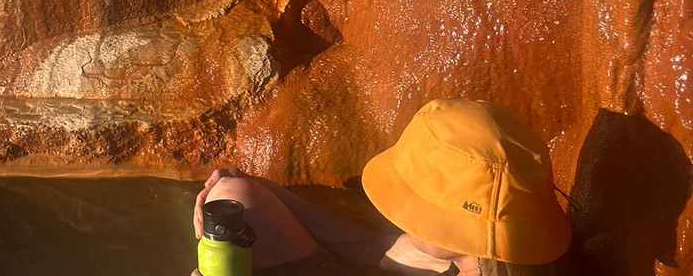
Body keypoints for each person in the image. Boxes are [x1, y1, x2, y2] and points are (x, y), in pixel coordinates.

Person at [192, 99, 572, 275]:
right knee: (237, 198)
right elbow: (375, 247)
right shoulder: (473, 259)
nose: (403, 206)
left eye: (416, 197)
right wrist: (257, 187)